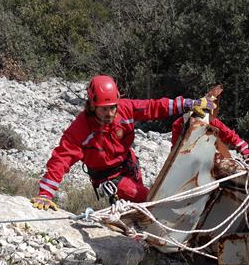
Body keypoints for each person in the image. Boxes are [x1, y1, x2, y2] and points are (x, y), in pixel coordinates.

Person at [31, 75, 215, 209]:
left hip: (129, 164)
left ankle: (138, 229)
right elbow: (61, 159)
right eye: (103, 110)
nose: (109, 114)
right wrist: (45, 194)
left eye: (112, 108)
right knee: (148, 200)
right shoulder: (81, 129)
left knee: (142, 200)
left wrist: (189, 104)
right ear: (92, 105)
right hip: (109, 178)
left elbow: (154, 107)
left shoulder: (125, 109)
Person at [170, 105, 249, 157]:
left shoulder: (213, 122)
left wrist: (244, 150)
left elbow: (229, 135)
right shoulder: (178, 125)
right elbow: (176, 148)